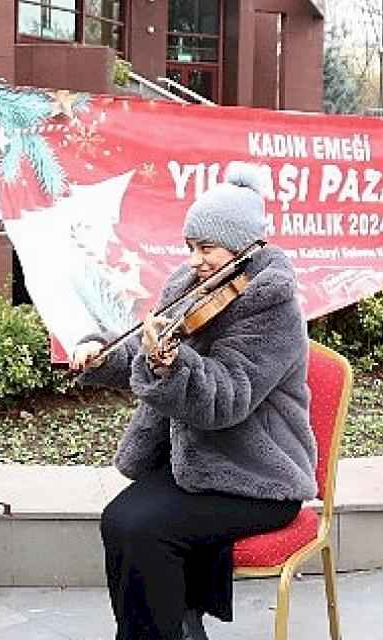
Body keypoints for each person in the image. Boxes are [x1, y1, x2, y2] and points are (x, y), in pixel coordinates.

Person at [70, 167, 318, 640]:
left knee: (144, 530)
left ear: (246, 247)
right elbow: (146, 351)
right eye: (190, 246)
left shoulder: (274, 305)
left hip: (258, 476)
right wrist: (99, 354)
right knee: (119, 521)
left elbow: (226, 398)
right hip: (199, 463)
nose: (195, 260)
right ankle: (175, 625)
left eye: (206, 248)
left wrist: (171, 365)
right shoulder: (191, 284)